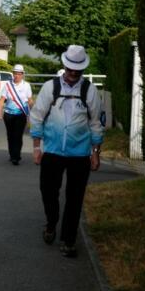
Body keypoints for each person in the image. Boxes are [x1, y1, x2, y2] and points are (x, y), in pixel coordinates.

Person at [29, 45, 103, 258]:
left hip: (79, 154)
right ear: (64, 66)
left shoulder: (89, 90)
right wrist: (36, 147)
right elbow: (37, 118)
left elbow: (96, 123)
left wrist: (95, 151)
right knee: (48, 191)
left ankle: (68, 240)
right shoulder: (49, 88)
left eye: (77, 71)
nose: (73, 74)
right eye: (70, 69)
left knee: (75, 197)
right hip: (52, 151)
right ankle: (52, 222)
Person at [0, 64, 33, 165]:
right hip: (8, 114)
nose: (16, 75)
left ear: (22, 74)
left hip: (21, 114)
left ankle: (16, 156)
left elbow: (30, 101)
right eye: (15, 73)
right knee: (10, 135)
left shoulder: (26, 85)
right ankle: (12, 154)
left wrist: (31, 114)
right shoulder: (8, 85)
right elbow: (2, 100)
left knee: (18, 135)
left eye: (19, 74)